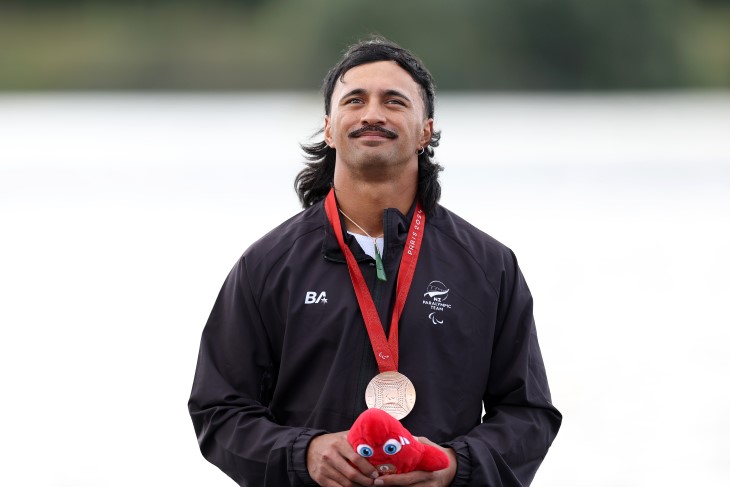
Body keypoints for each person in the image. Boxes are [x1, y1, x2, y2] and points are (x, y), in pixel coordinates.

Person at [188, 36, 561, 487]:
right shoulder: (267, 265)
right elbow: (219, 411)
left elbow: (529, 416)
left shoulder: (488, 266)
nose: (372, 114)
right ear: (329, 127)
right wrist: (303, 454)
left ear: (426, 130)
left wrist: (456, 467)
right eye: (355, 100)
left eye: (394, 101)